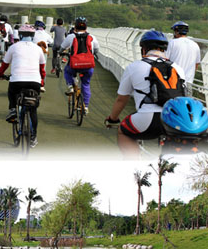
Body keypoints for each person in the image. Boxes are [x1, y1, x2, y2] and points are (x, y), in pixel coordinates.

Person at [105, 30, 186, 158]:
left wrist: (112, 119)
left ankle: (134, 164)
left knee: (123, 132)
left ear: (144, 49)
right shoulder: (178, 68)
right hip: (177, 118)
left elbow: (121, 99)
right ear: (164, 49)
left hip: (148, 119)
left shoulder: (134, 67)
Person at [0, 24, 46, 148]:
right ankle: (33, 137)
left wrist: (0, 74)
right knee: (33, 109)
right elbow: (42, 68)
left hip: (17, 80)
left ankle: (13, 109)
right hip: (35, 82)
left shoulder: (14, 47)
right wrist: (42, 81)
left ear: (20, 35)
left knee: (12, 92)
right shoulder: (38, 49)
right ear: (33, 36)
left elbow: (5, 64)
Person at [60, 17, 99, 114]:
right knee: (85, 84)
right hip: (88, 66)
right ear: (86, 27)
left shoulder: (71, 37)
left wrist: (60, 53)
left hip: (74, 65)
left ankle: (70, 86)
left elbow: (61, 48)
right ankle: (85, 107)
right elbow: (97, 50)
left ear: (75, 27)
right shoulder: (92, 38)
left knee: (67, 71)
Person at [166, 21, 201, 91]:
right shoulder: (195, 45)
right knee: (187, 101)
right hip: (188, 82)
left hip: (174, 81)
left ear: (176, 32)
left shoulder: (171, 43)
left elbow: (165, 60)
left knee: (173, 101)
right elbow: (196, 64)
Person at [33, 20, 52, 92]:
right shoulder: (46, 34)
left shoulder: (33, 33)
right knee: (42, 68)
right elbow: (51, 41)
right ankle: (42, 85)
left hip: (34, 52)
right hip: (43, 52)